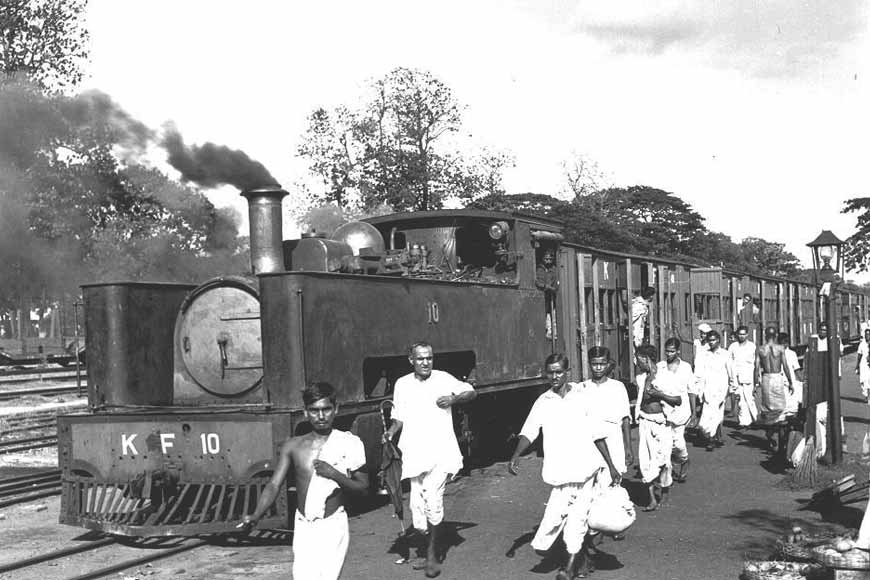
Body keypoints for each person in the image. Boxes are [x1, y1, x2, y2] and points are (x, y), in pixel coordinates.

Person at [239, 382, 369, 580]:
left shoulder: (349, 443)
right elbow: (274, 485)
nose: (321, 416)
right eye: (315, 410)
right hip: (303, 526)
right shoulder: (294, 446)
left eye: (326, 409)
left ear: (336, 410)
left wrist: (335, 474)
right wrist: (256, 515)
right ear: (306, 413)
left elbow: (363, 488)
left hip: (332, 525)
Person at [509, 353, 620, 580]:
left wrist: (611, 466)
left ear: (567, 372)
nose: (554, 376)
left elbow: (597, 433)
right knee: (554, 519)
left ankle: (568, 567)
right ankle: (580, 556)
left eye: (559, 371)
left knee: (577, 519)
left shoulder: (582, 396)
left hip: (586, 468)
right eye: (550, 372)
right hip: (559, 472)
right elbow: (530, 431)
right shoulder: (543, 401)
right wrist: (516, 454)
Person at [383, 342, 477, 578]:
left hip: (441, 453)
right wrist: (391, 432)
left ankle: (433, 555)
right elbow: (399, 417)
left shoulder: (443, 378)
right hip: (415, 453)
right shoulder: (402, 385)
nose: (426, 362)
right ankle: (430, 542)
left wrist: (453, 400)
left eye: (429, 358)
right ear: (411, 360)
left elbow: (471, 392)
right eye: (421, 358)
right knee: (418, 510)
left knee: (433, 499)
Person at [576, 346, 633, 487]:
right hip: (590, 441)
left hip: (614, 439)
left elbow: (625, 419)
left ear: (608, 364)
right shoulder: (582, 388)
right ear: (589, 364)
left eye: (602, 364)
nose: (598, 368)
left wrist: (628, 448)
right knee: (590, 484)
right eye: (595, 364)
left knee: (612, 483)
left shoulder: (618, 387)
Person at [634, 344, 681, 511]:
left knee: (664, 460)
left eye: (638, 359)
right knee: (645, 461)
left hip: (661, 424)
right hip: (645, 422)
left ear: (645, 359)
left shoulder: (665, 377)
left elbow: (677, 400)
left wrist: (659, 395)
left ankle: (665, 491)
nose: (636, 362)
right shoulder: (641, 378)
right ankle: (652, 498)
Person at [655, 337, 695, 482]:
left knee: (678, 442)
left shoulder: (686, 367)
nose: (669, 354)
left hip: (681, 410)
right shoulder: (660, 367)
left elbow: (691, 390)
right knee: (665, 444)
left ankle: (684, 460)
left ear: (678, 351)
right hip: (663, 410)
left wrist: (694, 414)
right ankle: (666, 474)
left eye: (672, 351)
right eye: (667, 351)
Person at [756, 326, 795, 452]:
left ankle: (769, 433)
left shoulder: (760, 349)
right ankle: (778, 434)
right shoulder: (780, 349)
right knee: (780, 408)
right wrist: (790, 382)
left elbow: (756, 368)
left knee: (768, 408)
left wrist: (754, 384)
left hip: (766, 377)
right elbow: (786, 366)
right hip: (778, 377)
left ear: (765, 334)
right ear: (776, 335)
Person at [696, 330, 731, 451]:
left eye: (713, 340)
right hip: (708, 389)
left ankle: (712, 440)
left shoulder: (725, 354)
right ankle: (714, 436)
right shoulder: (704, 355)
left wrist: (730, 389)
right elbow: (700, 374)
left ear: (719, 341)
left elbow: (731, 372)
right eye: (709, 340)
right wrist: (700, 391)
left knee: (717, 414)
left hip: (721, 389)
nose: (711, 343)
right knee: (706, 418)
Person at [728, 325, 758, 428]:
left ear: (747, 335)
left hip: (749, 375)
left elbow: (756, 364)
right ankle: (744, 422)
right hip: (736, 376)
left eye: (744, 334)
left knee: (750, 399)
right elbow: (729, 362)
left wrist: (757, 379)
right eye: (740, 334)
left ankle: (755, 419)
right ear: (737, 335)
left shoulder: (752, 346)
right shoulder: (733, 347)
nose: (742, 336)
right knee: (741, 400)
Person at [536, 249, 559, 339]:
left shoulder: (554, 269)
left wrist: (553, 288)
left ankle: (552, 331)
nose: (548, 261)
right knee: (544, 313)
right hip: (541, 294)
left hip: (551, 295)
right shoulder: (538, 269)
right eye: (546, 259)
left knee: (552, 313)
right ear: (543, 259)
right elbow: (536, 281)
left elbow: (557, 282)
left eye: (550, 259)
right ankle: (546, 331)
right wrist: (545, 286)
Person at [778, 333, 803, 417]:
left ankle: (791, 425)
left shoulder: (792, 354)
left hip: (790, 382)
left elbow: (796, 369)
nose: (783, 345)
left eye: (784, 343)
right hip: (779, 382)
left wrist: (802, 380)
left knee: (792, 405)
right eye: (780, 343)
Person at [856, 328, 870, 400]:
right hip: (863, 364)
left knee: (869, 380)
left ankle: (868, 397)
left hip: (869, 365)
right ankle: (866, 394)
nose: (867, 336)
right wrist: (857, 366)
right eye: (866, 334)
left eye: (868, 334)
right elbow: (859, 355)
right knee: (863, 380)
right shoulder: (862, 344)